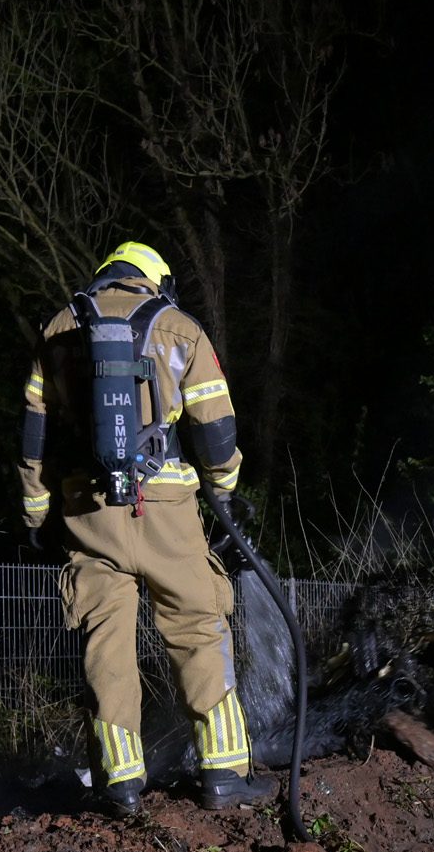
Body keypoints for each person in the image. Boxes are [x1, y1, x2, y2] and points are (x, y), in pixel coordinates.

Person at [18, 241, 277, 818]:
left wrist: (37, 513)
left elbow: (34, 438)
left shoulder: (60, 327)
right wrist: (226, 494)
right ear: (155, 281)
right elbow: (216, 429)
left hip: (87, 515)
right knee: (197, 629)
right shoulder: (179, 328)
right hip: (165, 510)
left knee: (105, 645)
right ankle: (225, 775)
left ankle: (120, 784)